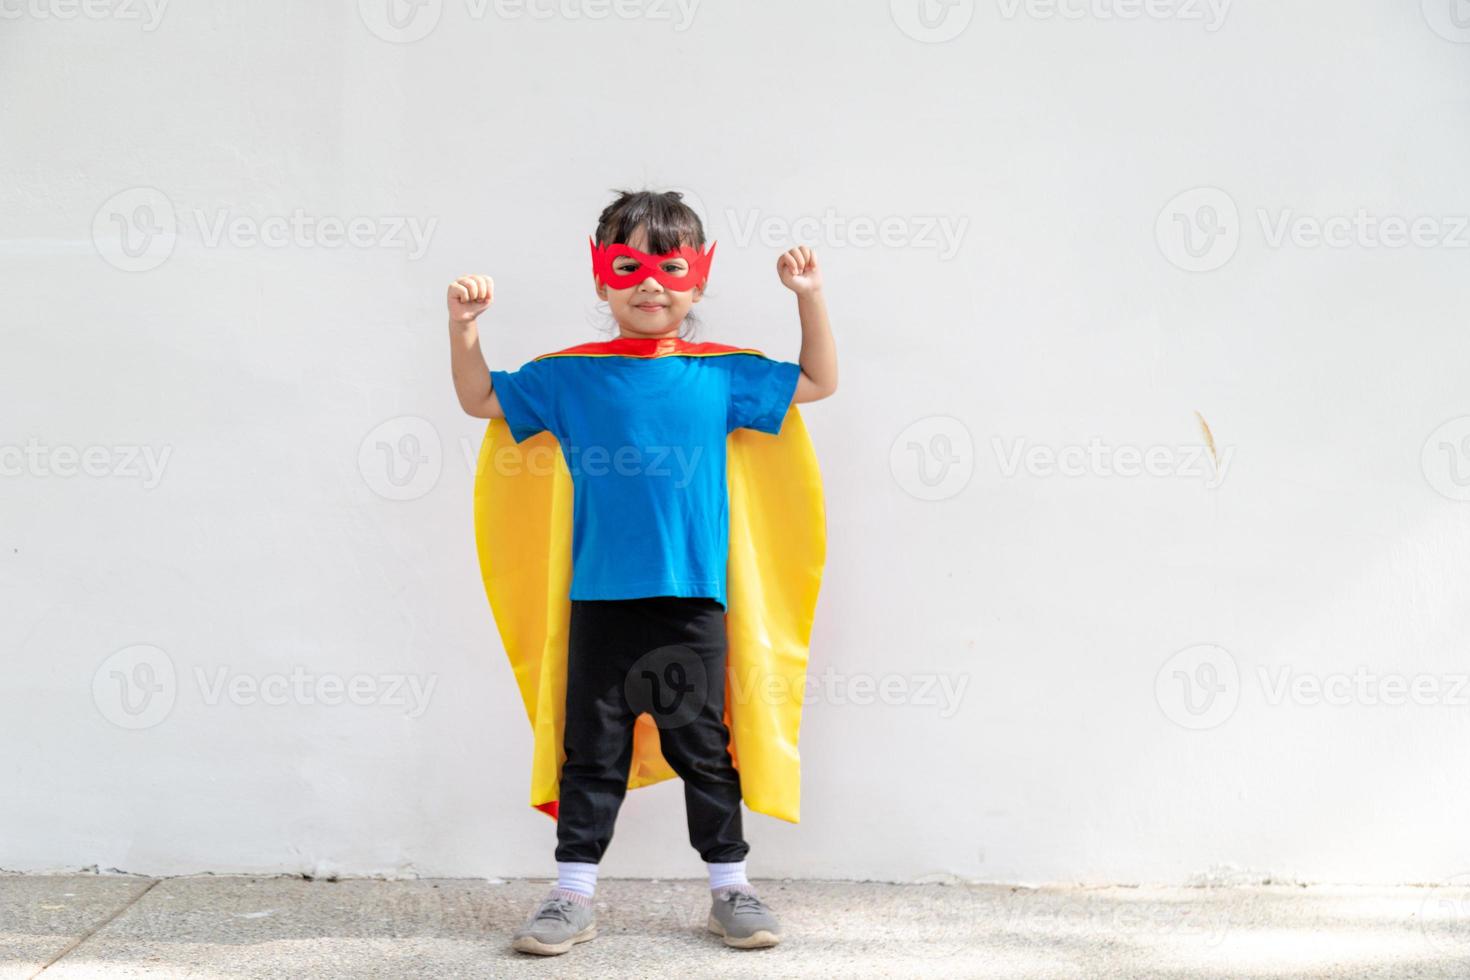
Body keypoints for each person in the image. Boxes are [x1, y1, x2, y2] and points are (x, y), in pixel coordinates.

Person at [446, 189, 838, 955]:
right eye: (629, 266)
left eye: (671, 266)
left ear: (696, 281)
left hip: (693, 598)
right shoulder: (570, 376)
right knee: (591, 750)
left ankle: (732, 888)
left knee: (704, 745)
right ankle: (571, 896)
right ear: (602, 280)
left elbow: (817, 383)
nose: (650, 282)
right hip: (598, 598)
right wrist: (464, 331)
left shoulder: (722, 374)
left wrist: (811, 300)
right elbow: (480, 398)